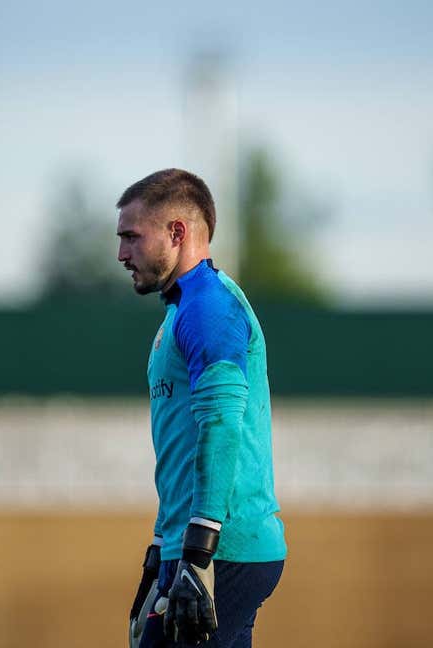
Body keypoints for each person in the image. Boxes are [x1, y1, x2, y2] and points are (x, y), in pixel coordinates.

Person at [117, 169, 287, 647]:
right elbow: (181, 447)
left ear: (177, 232)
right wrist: (160, 551)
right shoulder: (183, 308)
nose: (121, 253)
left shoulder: (209, 307)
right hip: (193, 546)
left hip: (222, 550)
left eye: (132, 237)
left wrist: (197, 554)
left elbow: (220, 424)